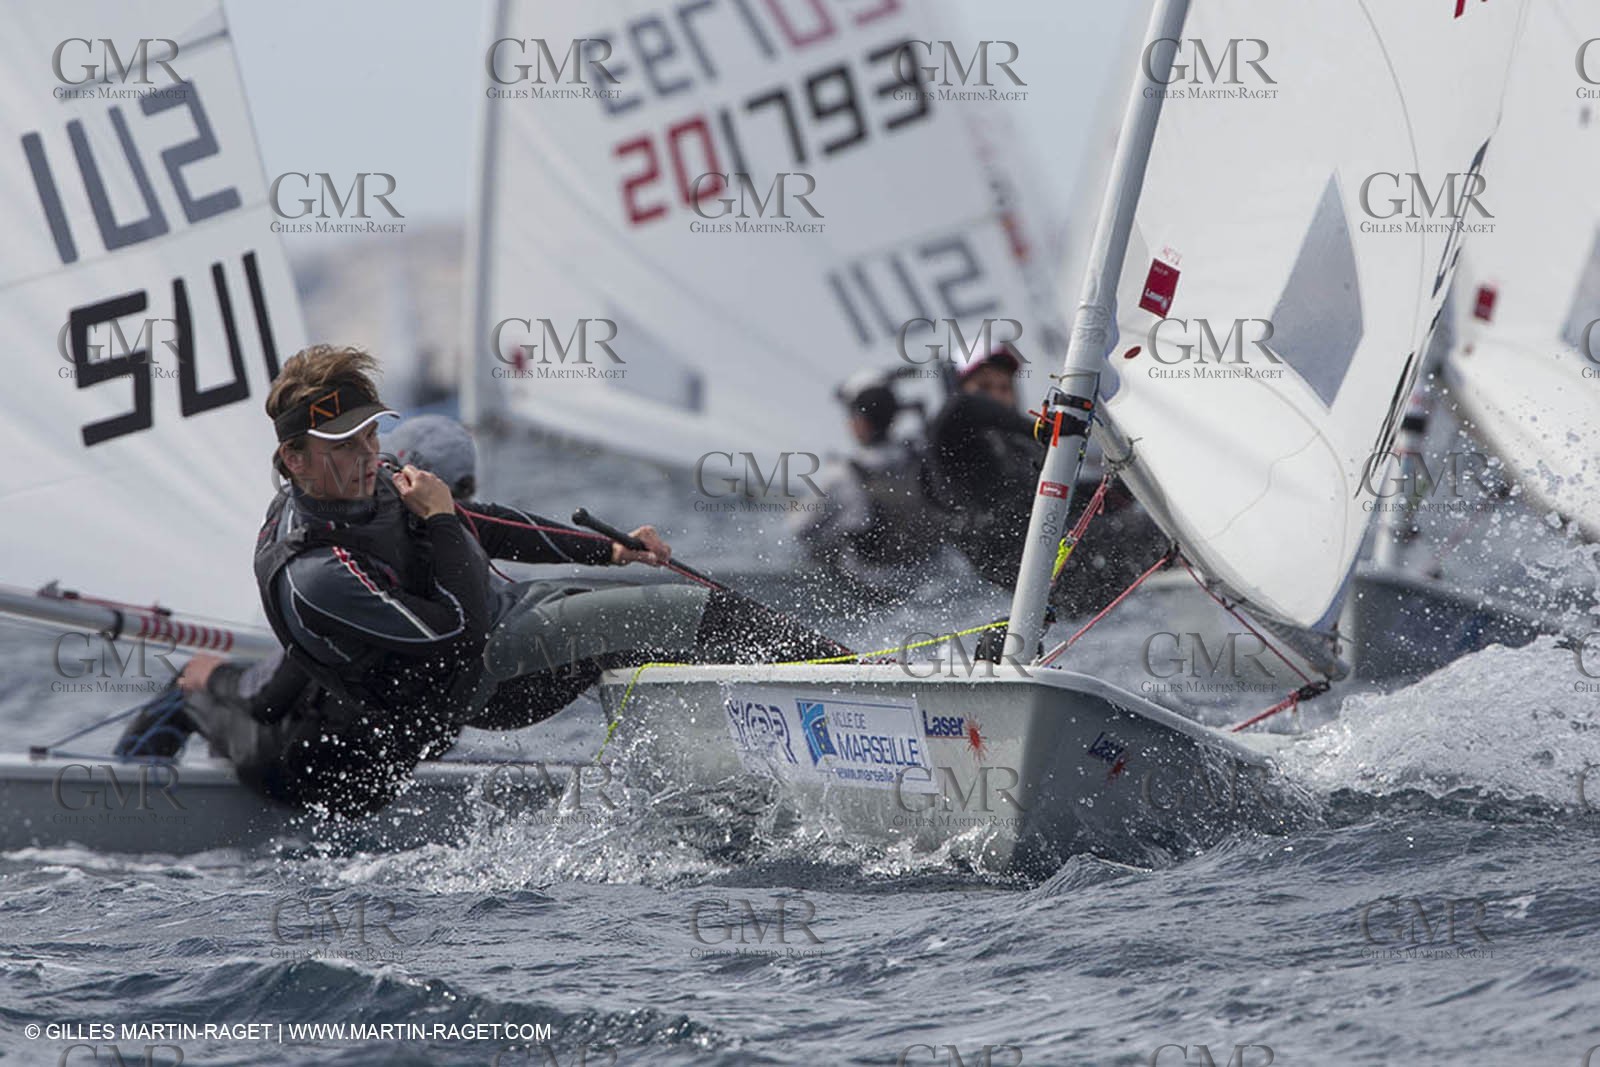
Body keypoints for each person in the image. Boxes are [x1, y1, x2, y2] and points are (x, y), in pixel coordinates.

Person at [124, 346, 839, 817]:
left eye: (374, 433)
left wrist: (610, 549)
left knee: (671, 618)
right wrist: (437, 522)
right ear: (295, 457)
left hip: (511, 617)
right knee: (682, 614)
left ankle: (806, 725)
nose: (369, 454)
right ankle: (850, 684)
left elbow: (482, 522)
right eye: (346, 445)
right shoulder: (315, 572)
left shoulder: (368, 486)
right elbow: (451, 632)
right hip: (486, 674)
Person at [924, 346, 1168, 610]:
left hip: (1074, 564)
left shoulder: (1019, 447)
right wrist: (1039, 428)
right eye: (984, 386)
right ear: (960, 387)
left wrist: (1129, 486)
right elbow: (965, 407)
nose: (995, 395)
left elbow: (1064, 499)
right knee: (1160, 534)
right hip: (1041, 579)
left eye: (1004, 388)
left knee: (1161, 522)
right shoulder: (950, 445)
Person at [792, 371, 941, 597]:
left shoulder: (842, 475)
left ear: (861, 422)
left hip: (865, 590)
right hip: (929, 582)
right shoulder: (922, 458)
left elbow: (798, 528)